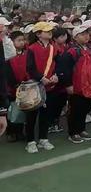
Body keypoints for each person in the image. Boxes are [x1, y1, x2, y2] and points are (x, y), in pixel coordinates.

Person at [57, 24, 91, 144]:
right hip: (77, 86)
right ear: (75, 37)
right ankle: (73, 132)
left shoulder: (90, 49)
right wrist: (68, 84)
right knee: (76, 109)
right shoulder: (72, 52)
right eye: (82, 34)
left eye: (87, 33)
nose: (86, 36)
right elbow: (64, 69)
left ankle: (81, 129)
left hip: (89, 85)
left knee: (86, 107)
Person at [25, 21, 59, 152]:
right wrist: (41, 78)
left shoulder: (53, 47)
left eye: (50, 30)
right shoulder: (32, 48)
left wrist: (56, 75)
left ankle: (43, 138)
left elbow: (58, 63)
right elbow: (30, 68)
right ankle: (30, 141)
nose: (49, 32)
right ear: (38, 34)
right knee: (32, 115)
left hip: (50, 86)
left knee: (46, 114)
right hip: (34, 85)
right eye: (46, 30)